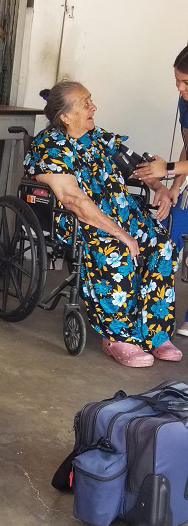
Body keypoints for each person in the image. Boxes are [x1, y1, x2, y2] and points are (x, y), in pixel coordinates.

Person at [25, 80, 181, 367]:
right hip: (81, 222)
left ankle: (155, 333)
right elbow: (74, 200)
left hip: (124, 215)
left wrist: (158, 186)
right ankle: (118, 336)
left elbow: (135, 165)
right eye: (85, 103)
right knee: (117, 253)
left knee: (162, 246)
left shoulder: (98, 136)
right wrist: (121, 234)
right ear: (65, 116)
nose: (93, 107)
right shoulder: (49, 146)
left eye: (91, 100)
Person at [133, 45, 188, 336]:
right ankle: (148, 318)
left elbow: (172, 165)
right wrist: (175, 185)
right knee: (169, 233)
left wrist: (167, 170)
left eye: (187, 82)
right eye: (177, 81)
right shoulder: (186, 102)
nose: (179, 89)